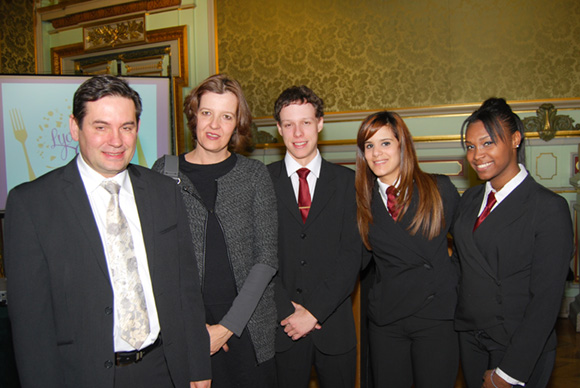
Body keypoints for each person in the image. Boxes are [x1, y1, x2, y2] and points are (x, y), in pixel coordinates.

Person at [4, 75, 211, 388]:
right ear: (75, 127)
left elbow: (185, 288)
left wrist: (198, 367)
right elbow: (31, 326)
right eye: (101, 127)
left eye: (126, 127)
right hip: (83, 376)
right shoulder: (32, 204)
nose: (116, 140)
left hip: (164, 369)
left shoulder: (163, 191)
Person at [152, 74, 278, 387]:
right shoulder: (163, 174)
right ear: (193, 115)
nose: (214, 125)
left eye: (226, 116)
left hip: (248, 327)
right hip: (186, 328)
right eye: (207, 113)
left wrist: (226, 328)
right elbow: (159, 263)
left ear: (238, 124)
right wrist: (196, 330)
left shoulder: (254, 175)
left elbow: (267, 260)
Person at [454, 98, 574, 388]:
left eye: (487, 143)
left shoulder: (548, 208)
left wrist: (508, 374)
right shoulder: (469, 200)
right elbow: (460, 267)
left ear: (515, 139)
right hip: (471, 342)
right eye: (470, 146)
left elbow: (545, 303)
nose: (477, 155)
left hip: (517, 348)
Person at [355, 111, 460, 387]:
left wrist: (449, 283)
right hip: (387, 320)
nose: (377, 153)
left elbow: (468, 248)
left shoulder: (439, 189)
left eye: (385, 143)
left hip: (435, 317)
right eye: (369, 145)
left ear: (403, 145)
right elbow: (351, 258)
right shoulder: (361, 203)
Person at [268, 85, 361, 388]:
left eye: (306, 122)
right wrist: (289, 313)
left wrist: (314, 312)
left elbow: (353, 255)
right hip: (282, 329)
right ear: (278, 129)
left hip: (334, 329)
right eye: (289, 124)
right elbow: (258, 256)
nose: (298, 133)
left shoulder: (350, 183)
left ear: (320, 123)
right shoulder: (261, 182)